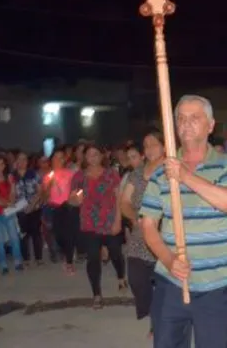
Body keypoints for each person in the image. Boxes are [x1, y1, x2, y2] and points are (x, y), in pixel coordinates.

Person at [140, 95, 227, 348]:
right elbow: (148, 225)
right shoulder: (161, 172)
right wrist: (169, 259)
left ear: (210, 125)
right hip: (171, 282)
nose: (186, 124)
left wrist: (185, 176)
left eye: (194, 118)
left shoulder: (226, 165)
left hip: (217, 285)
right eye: (181, 119)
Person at [119, 130, 165, 336]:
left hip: (164, 232)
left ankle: (158, 322)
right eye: (146, 145)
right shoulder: (136, 174)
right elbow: (125, 202)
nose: (150, 148)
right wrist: (133, 218)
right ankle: (151, 311)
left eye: (154, 143)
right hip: (139, 233)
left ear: (164, 147)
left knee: (163, 283)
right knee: (137, 280)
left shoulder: (170, 171)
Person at [70, 144, 126, 309]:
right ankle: (96, 294)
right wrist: (74, 200)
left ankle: (121, 276)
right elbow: (72, 199)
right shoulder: (79, 177)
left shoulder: (111, 174)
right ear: (84, 158)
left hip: (109, 220)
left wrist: (118, 220)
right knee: (93, 258)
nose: (92, 158)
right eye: (89, 155)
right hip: (89, 222)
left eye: (96, 154)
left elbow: (118, 198)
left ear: (102, 156)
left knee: (115, 252)